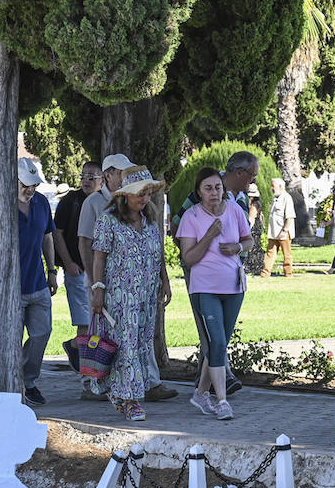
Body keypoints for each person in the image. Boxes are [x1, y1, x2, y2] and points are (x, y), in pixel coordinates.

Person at [173, 150, 259, 397]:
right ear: (239, 173)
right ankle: (222, 388)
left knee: (219, 338)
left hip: (232, 277)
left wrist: (238, 249)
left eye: (217, 188)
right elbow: (178, 225)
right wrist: (197, 254)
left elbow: (246, 237)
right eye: (251, 175)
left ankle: (203, 391)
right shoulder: (201, 193)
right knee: (214, 337)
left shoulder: (239, 199)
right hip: (203, 276)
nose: (254, 180)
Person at [89, 167, 171, 421]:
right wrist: (98, 288)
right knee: (126, 346)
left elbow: (158, 254)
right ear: (125, 195)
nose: (145, 199)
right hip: (120, 297)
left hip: (146, 296)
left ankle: (119, 392)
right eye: (139, 194)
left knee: (140, 344)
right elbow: (99, 256)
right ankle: (131, 401)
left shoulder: (150, 221)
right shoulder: (109, 220)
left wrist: (165, 281)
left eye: (147, 194)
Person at [16, 157, 58, 407]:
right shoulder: (1, 203)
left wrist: (52, 270)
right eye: (25, 184)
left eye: (34, 184)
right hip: (11, 288)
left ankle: (28, 381)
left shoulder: (41, 202)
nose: (30, 189)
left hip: (38, 282)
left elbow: (47, 237)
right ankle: (12, 384)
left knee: (42, 333)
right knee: (10, 338)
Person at [55, 160, 101, 362]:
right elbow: (56, 233)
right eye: (83, 176)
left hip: (100, 272)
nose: (86, 181)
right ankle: (84, 368)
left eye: (91, 177)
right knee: (84, 322)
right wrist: (68, 263)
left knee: (97, 323)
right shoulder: (70, 201)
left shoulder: (106, 202)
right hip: (77, 271)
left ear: (102, 180)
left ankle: (78, 349)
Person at [260, 177, 296, 278]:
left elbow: (290, 217)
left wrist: (285, 230)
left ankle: (288, 274)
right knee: (270, 253)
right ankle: (265, 273)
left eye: (273, 186)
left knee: (287, 254)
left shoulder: (287, 198)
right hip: (273, 232)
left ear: (280, 186)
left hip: (283, 232)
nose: (271, 188)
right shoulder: (275, 198)